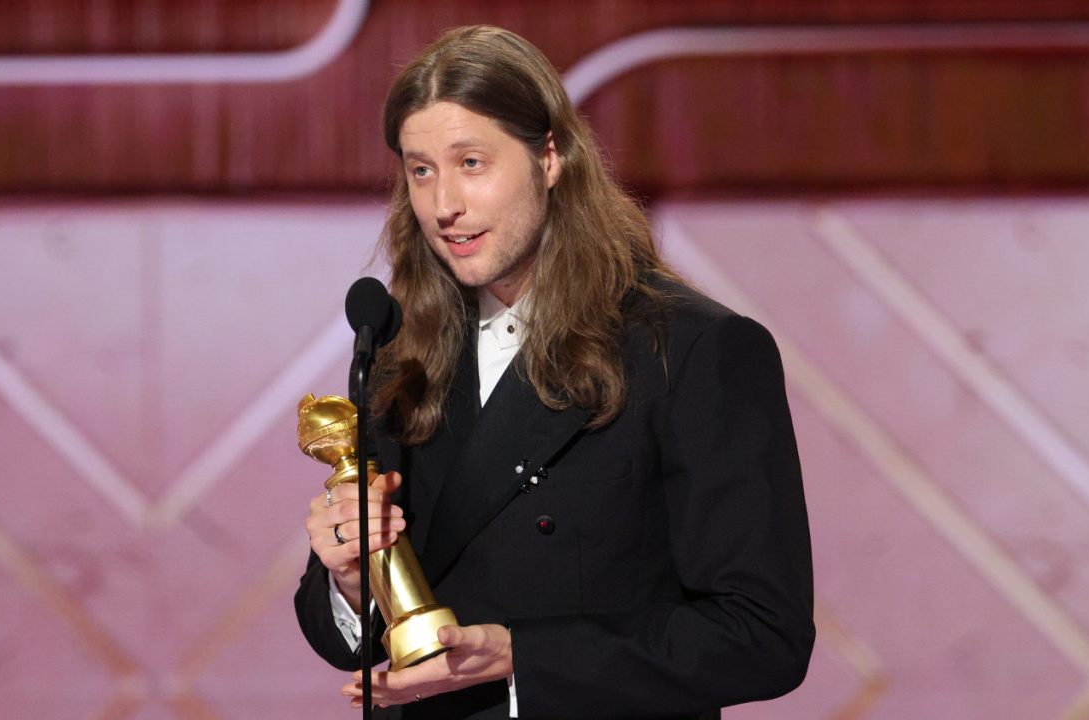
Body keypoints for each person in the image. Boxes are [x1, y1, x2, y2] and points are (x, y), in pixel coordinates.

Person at [294, 25, 814, 720]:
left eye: (471, 163)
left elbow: (763, 635)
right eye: (421, 170)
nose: (444, 204)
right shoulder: (402, 353)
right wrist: (352, 581)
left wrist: (522, 656)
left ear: (550, 157)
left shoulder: (692, 350)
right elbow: (338, 640)